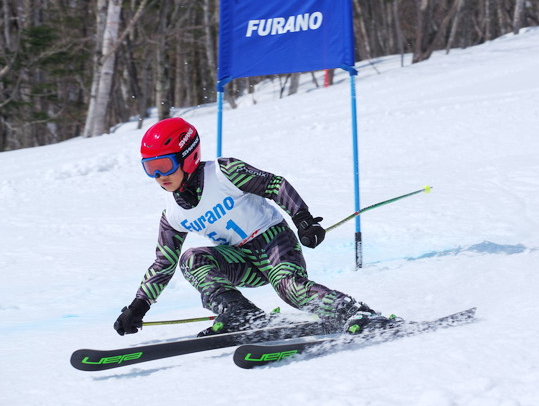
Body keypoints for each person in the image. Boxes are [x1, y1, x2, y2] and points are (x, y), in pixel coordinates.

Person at [114, 117, 399, 337]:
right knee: (192, 259)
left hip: (274, 243)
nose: (159, 176)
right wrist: (139, 306)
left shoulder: (224, 172)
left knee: (290, 289)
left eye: (163, 165)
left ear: (188, 156)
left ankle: (358, 314)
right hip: (241, 260)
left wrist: (303, 219)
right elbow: (164, 263)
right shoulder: (173, 215)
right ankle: (241, 314)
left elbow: (275, 185)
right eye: (150, 168)